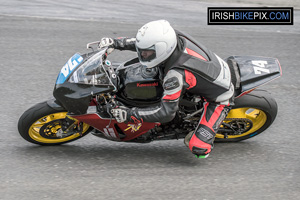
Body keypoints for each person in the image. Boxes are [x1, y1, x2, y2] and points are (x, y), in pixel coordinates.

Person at [100, 20, 234, 158]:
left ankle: (204, 141)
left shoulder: (174, 76)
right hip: (210, 70)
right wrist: (115, 43)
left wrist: (130, 114)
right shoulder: (171, 37)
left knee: (198, 148)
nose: (143, 55)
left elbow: (166, 113)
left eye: (147, 53)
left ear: (162, 50)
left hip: (220, 96)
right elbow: (146, 44)